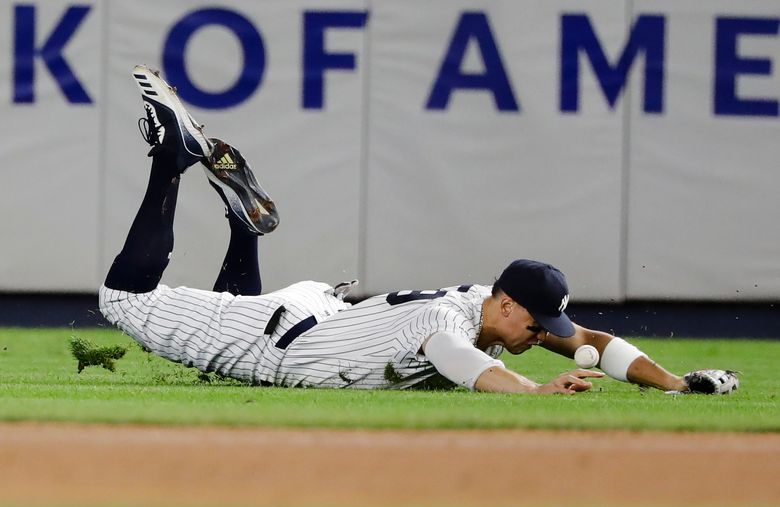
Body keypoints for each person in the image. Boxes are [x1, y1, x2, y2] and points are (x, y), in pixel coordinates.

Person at [99, 65, 739, 395]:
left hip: (314, 321)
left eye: (547, 329)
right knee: (123, 299)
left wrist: (680, 384)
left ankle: (244, 228)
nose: (546, 336)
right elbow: (458, 361)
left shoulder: (493, 312)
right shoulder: (453, 327)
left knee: (229, 314)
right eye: (538, 325)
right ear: (507, 303)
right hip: (285, 338)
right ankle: (173, 160)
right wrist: (533, 389)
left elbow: (591, 340)